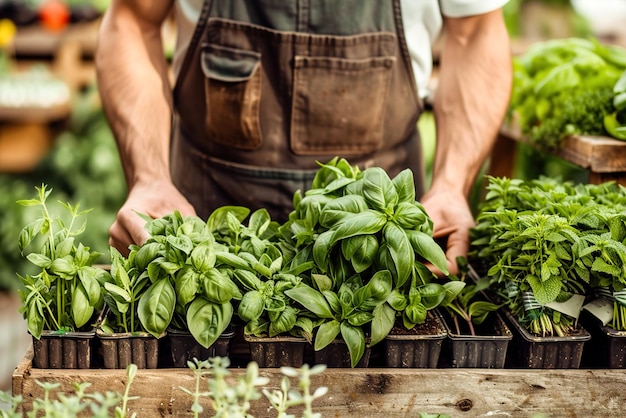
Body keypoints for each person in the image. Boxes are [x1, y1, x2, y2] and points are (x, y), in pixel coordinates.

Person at [96, 0, 512, 276]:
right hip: (206, 230)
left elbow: (474, 34)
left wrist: (453, 185)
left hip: (375, 241)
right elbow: (133, 19)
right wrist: (149, 177)